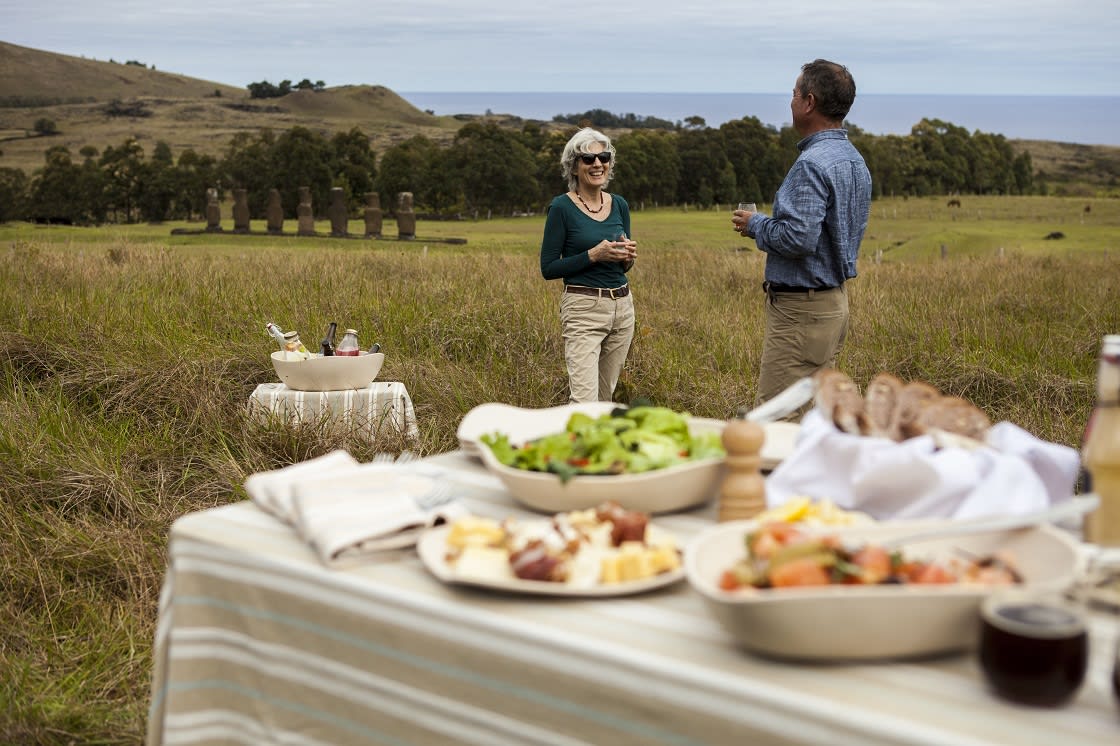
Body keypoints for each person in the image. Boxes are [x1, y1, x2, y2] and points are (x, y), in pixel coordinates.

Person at [732, 58, 872, 408]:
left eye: (794, 93)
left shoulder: (811, 164)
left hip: (802, 312)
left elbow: (798, 239)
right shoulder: (853, 159)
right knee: (813, 417)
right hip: (831, 305)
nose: (791, 101)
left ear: (809, 102)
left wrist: (755, 224)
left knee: (778, 418)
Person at [540, 127, 638, 403]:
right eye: (588, 159)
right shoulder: (561, 208)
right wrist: (593, 255)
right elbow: (548, 268)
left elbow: (623, 265)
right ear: (573, 167)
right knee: (584, 402)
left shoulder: (619, 204)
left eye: (603, 157)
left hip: (622, 308)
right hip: (583, 309)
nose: (598, 164)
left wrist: (626, 257)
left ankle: (597, 447)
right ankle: (572, 446)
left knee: (605, 400)